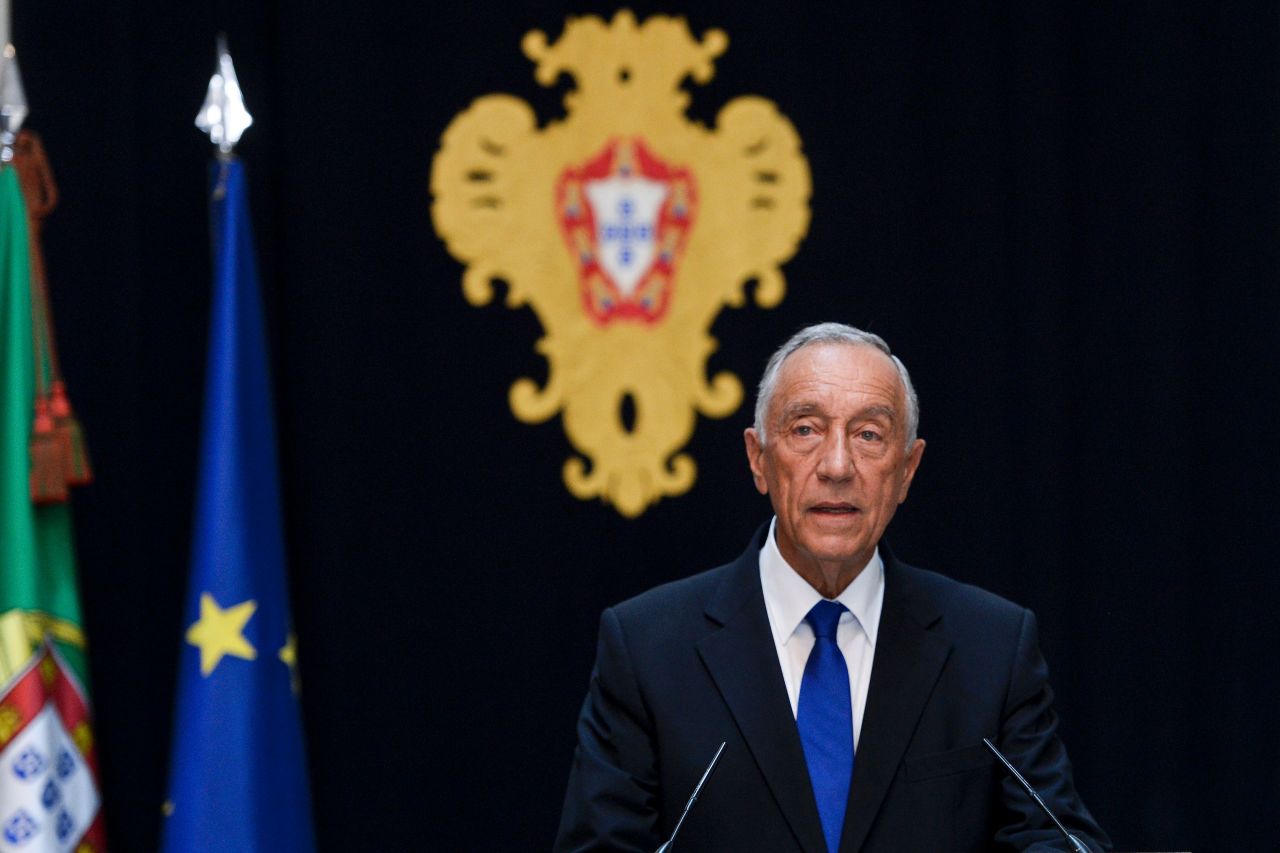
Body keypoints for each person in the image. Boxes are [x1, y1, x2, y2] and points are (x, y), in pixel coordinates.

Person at [553, 323, 1110, 852]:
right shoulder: (649, 648)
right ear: (758, 459)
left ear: (908, 470)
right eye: (805, 430)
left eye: (869, 434)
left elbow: (1057, 836)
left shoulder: (991, 646)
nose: (838, 465)